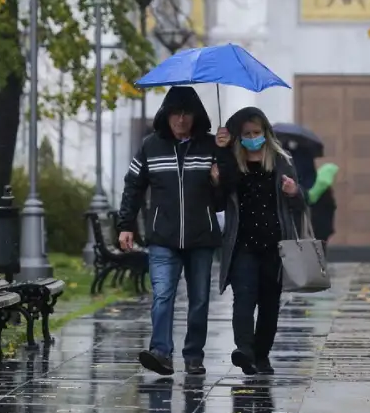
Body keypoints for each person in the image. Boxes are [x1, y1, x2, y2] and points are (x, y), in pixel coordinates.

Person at [117, 86, 223, 377]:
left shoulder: (211, 147)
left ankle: (193, 356)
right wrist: (126, 225)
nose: (180, 119)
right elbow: (133, 187)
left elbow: (224, 200)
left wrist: (219, 179)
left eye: (186, 113)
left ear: (196, 116)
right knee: (162, 295)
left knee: (199, 299)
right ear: (166, 115)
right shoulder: (150, 146)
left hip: (202, 237)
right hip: (163, 238)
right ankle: (161, 353)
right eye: (175, 113)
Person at [214, 107, 306, 376]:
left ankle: (262, 355)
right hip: (242, 244)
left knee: (269, 303)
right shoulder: (232, 161)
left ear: (266, 133)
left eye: (256, 133)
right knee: (243, 298)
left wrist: (293, 192)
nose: (252, 138)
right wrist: (218, 176)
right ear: (238, 137)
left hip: (275, 245)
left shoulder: (281, 161)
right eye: (246, 134)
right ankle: (244, 350)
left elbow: (300, 205)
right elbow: (219, 202)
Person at [307, 162, 338, 254]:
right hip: (322, 225)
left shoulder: (317, 192)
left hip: (317, 224)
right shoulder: (324, 194)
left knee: (318, 245)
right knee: (321, 246)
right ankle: (320, 265)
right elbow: (332, 206)